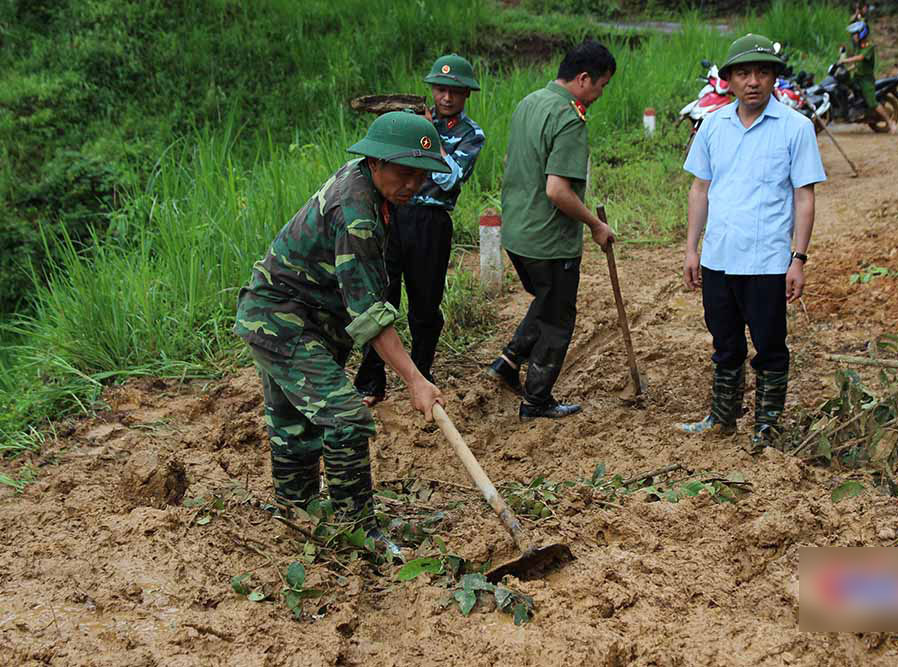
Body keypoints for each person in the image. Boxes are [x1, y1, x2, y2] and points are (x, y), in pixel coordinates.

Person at [233, 112, 449, 551]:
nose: (413, 184)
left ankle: (298, 511)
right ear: (376, 162)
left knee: (294, 424)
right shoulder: (356, 214)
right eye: (404, 172)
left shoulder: (370, 187)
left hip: (302, 318)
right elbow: (369, 315)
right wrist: (415, 380)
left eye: (421, 175)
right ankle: (358, 530)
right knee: (347, 418)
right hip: (281, 320)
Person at [677, 33, 827, 452]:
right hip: (719, 257)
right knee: (724, 341)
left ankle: (767, 425)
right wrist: (692, 249)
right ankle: (721, 417)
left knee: (770, 345)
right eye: (743, 73)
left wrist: (798, 258)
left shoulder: (796, 128)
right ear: (729, 80)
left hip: (767, 261)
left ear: (774, 78)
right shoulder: (713, 126)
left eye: (762, 72)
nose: (753, 81)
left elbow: (804, 196)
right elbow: (700, 189)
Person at [486, 41, 616, 422]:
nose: (600, 94)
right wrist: (595, 224)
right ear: (584, 79)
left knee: (545, 299)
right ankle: (537, 400)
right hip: (549, 242)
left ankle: (509, 361)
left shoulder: (529, 103)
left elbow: (513, 161)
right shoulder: (569, 119)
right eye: (601, 86)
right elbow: (557, 191)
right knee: (558, 318)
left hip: (517, 234)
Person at [354, 54, 485, 406]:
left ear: (466, 94)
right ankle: (370, 382)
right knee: (381, 297)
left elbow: (449, 178)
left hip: (430, 222)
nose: (446, 97)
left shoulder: (470, 134)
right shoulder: (411, 122)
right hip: (392, 215)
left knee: (425, 305)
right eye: (440, 89)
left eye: (454, 91)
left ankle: (422, 377)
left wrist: (430, 136)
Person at [841, 20, 897, 133]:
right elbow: (858, 64)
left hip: (866, 80)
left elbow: (860, 58)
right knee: (844, 84)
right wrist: (848, 69)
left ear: (861, 34)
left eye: (855, 34)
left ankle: (890, 122)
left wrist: (845, 60)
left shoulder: (868, 46)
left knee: (872, 103)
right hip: (857, 77)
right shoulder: (858, 46)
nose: (853, 37)